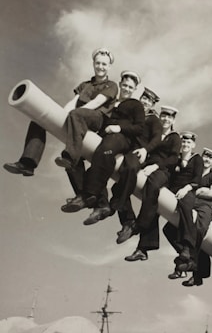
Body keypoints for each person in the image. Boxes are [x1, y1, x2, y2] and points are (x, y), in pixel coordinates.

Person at [3, 48, 117, 183]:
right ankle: (27, 163)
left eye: (104, 64)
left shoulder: (112, 85)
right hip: (78, 118)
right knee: (39, 121)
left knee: (77, 113)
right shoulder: (85, 85)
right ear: (93, 64)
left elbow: (97, 102)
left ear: (109, 67)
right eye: (98, 63)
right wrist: (60, 115)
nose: (100, 67)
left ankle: (70, 157)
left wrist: (73, 114)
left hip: (96, 119)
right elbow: (73, 102)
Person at [61, 70, 145, 213]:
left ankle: (90, 194)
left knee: (105, 151)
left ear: (135, 90)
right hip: (104, 135)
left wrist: (119, 127)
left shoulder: (135, 105)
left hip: (122, 138)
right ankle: (85, 196)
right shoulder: (111, 102)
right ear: (120, 84)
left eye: (130, 87)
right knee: (75, 155)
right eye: (125, 85)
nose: (127, 89)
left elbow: (140, 128)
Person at [83, 86, 162, 226]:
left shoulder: (153, 120)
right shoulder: (132, 111)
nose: (145, 102)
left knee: (130, 169)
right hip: (123, 145)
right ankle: (101, 204)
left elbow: (157, 139)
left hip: (136, 151)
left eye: (149, 101)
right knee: (99, 164)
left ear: (153, 105)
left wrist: (146, 150)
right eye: (144, 98)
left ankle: (116, 204)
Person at [119, 106, 181, 262]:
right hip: (146, 164)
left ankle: (138, 226)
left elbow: (174, 159)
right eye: (164, 116)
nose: (166, 119)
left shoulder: (174, 137)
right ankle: (129, 222)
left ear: (173, 120)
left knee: (152, 188)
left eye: (169, 117)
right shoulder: (155, 133)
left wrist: (156, 166)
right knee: (120, 185)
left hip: (163, 171)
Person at [164, 147, 212, 283]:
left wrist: (198, 190)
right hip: (189, 202)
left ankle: (187, 264)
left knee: (200, 228)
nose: (207, 159)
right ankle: (187, 258)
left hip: (204, 205)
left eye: (210, 158)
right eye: (205, 156)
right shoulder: (195, 171)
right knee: (169, 229)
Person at [167, 132, 204, 273]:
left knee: (185, 207)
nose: (186, 145)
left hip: (188, 190)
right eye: (184, 143)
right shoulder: (175, 159)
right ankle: (185, 253)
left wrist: (186, 188)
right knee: (168, 229)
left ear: (193, 145)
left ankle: (187, 247)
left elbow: (197, 179)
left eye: (189, 143)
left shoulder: (197, 159)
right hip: (173, 190)